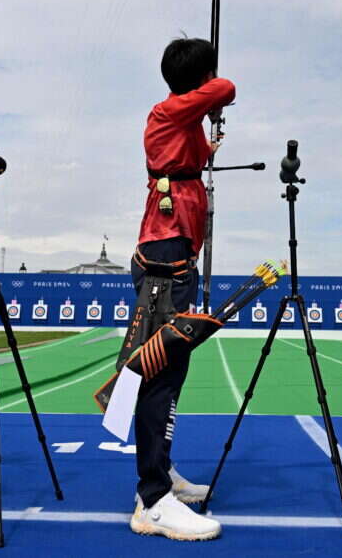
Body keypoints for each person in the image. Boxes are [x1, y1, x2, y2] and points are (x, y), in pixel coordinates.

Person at [127, 37, 235, 541]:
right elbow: (228, 87)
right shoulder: (168, 111)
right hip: (164, 257)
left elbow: (191, 156)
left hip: (176, 254)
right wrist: (214, 90)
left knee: (172, 371)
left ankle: (160, 473)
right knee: (160, 375)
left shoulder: (181, 121)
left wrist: (209, 142)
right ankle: (152, 501)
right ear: (197, 78)